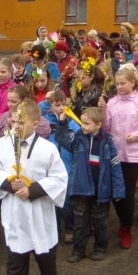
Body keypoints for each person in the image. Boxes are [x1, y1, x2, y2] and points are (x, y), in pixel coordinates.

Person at [0, 99, 67, 275]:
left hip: (40, 214)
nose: (16, 127)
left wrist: (33, 190)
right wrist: (10, 184)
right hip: (16, 214)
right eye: (14, 122)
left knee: (46, 262)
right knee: (15, 265)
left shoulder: (47, 148)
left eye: (22, 123)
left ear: (36, 123)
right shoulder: (3, 144)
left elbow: (59, 178)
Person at [56, 107, 125, 263]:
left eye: (86, 123)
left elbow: (115, 166)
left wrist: (118, 191)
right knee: (80, 222)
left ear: (98, 124)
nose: (82, 126)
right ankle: (78, 250)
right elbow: (62, 139)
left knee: (100, 221)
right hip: (82, 189)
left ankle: (100, 247)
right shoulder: (79, 139)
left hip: (101, 191)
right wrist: (62, 123)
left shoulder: (108, 142)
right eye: (82, 122)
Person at [103, 65, 138, 248]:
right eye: (117, 83)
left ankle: (126, 228)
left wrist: (136, 135)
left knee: (126, 192)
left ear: (132, 83)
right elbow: (106, 127)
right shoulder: (112, 103)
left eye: (123, 83)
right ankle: (122, 220)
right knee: (114, 192)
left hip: (134, 154)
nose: (119, 87)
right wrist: (102, 111)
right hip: (115, 152)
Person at [39, 89, 78, 244]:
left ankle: (70, 228)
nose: (61, 107)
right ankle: (55, 231)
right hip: (50, 167)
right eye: (57, 104)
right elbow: (35, 112)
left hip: (68, 165)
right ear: (51, 105)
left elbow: (77, 139)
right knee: (51, 200)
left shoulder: (72, 122)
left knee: (68, 200)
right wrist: (45, 101)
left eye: (63, 104)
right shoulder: (45, 121)